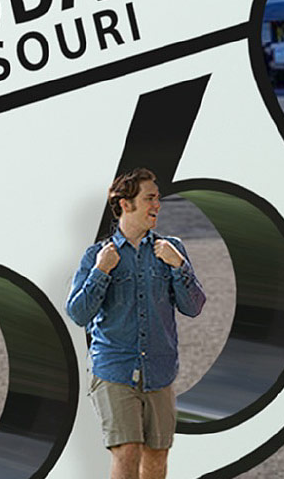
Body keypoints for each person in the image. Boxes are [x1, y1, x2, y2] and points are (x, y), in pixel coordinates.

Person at [66, 168, 206, 479]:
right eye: (150, 198)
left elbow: (194, 306)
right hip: (115, 370)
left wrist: (178, 265)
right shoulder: (96, 256)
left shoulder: (171, 249)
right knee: (127, 452)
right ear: (126, 204)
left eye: (158, 198)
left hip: (160, 371)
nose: (157, 205)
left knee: (156, 458)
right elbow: (77, 313)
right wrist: (101, 271)